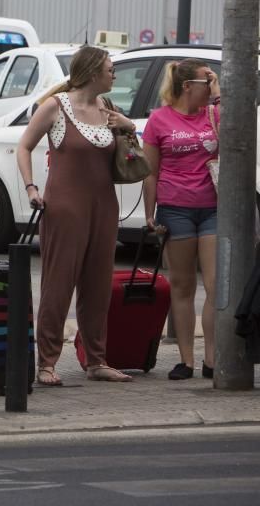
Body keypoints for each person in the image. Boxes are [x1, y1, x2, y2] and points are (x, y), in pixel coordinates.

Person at [16, 46, 137, 385]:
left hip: (104, 206)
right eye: (110, 69)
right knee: (58, 283)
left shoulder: (108, 108)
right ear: (92, 72)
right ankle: (47, 362)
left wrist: (128, 127)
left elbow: (130, 156)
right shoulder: (55, 107)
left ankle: (96, 359)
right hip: (65, 207)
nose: (114, 74)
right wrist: (31, 187)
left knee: (98, 285)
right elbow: (24, 146)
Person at [142, 59, 221, 380]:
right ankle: (186, 360)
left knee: (217, 288)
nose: (212, 84)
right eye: (207, 80)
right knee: (183, 286)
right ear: (188, 86)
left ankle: (212, 359)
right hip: (175, 209)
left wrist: (217, 93)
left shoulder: (215, 114)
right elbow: (151, 172)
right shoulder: (158, 120)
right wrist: (149, 214)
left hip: (214, 208)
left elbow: (238, 143)